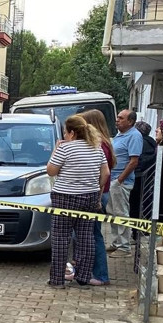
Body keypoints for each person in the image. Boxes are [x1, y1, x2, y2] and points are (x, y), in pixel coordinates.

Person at [45, 114, 109, 289]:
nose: (65, 136)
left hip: (65, 197)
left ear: (72, 133)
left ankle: (57, 280)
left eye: (66, 133)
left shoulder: (66, 149)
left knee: (60, 238)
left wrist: (56, 149)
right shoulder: (97, 149)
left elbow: (51, 171)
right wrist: (97, 191)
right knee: (86, 237)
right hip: (89, 196)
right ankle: (83, 276)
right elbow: (106, 174)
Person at [80, 109, 117, 286]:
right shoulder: (105, 143)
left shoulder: (99, 145)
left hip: (97, 194)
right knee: (90, 234)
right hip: (100, 193)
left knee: (94, 235)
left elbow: (100, 173)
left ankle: (101, 275)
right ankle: (89, 270)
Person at [106, 109, 143, 257]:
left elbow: (134, 162)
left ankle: (124, 247)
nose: (117, 120)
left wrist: (119, 180)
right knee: (112, 213)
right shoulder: (119, 135)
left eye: (121, 118)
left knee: (121, 213)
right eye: (117, 118)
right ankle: (116, 243)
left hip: (121, 182)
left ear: (130, 121)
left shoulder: (134, 136)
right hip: (113, 180)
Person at [130, 120, 158, 219]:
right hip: (149, 176)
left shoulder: (139, 142)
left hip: (137, 175)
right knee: (146, 200)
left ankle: (136, 228)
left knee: (134, 202)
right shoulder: (152, 142)